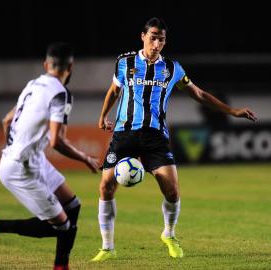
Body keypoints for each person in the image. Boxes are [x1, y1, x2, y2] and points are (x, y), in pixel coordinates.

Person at [92, 17, 257, 261]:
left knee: (172, 191)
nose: (157, 43)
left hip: (156, 136)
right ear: (143, 37)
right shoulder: (124, 62)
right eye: (153, 37)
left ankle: (169, 234)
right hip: (124, 133)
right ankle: (107, 247)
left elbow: (199, 94)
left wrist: (232, 111)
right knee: (106, 187)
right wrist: (103, 115)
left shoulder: (172, 68)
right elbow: (115, 90)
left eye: (161, 39)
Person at [0, 42, 100, 270]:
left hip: (29, 160)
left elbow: (6, 121)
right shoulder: (61, 95)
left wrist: (15, 148)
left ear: (46, 64)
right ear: (70, 67)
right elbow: (57, 141)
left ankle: (61, 265)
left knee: (73, 206)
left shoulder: (33, 84)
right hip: (22, 168)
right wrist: (85, 158)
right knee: (61, 226)